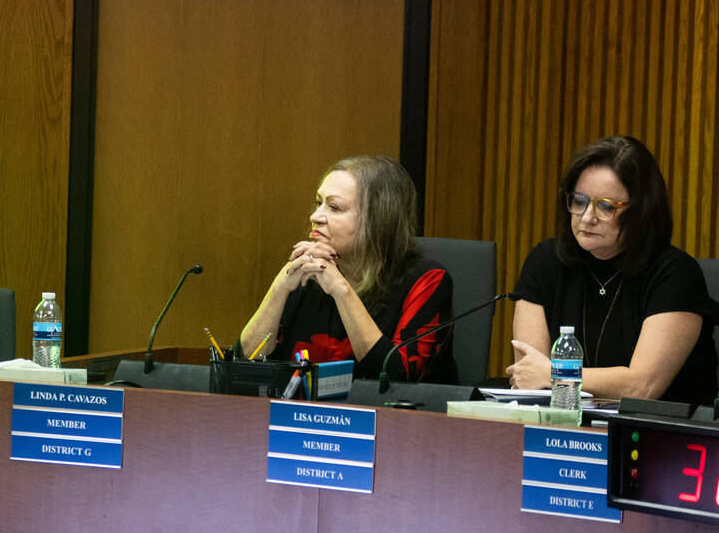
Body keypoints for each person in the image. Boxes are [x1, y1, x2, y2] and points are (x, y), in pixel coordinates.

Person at [507, 135, 717, 404]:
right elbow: (528, 376)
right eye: (579, 201)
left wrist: (554, 374)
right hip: (563, 425)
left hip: (658, 436)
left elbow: (643, 387)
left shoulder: (675, 274)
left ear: (642, 211)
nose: (587, 217)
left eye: (606, 207)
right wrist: (547, 377)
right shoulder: (546, 261)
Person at [240, 155, 457, 382]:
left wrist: (341, 290)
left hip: (390, 417)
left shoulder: (426, 280)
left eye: (334, 207)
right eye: (318, 203)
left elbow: (397, 379)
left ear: (378, 219)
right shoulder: (308, 273)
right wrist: (280, 287)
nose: (315, 216)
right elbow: (244, 367)